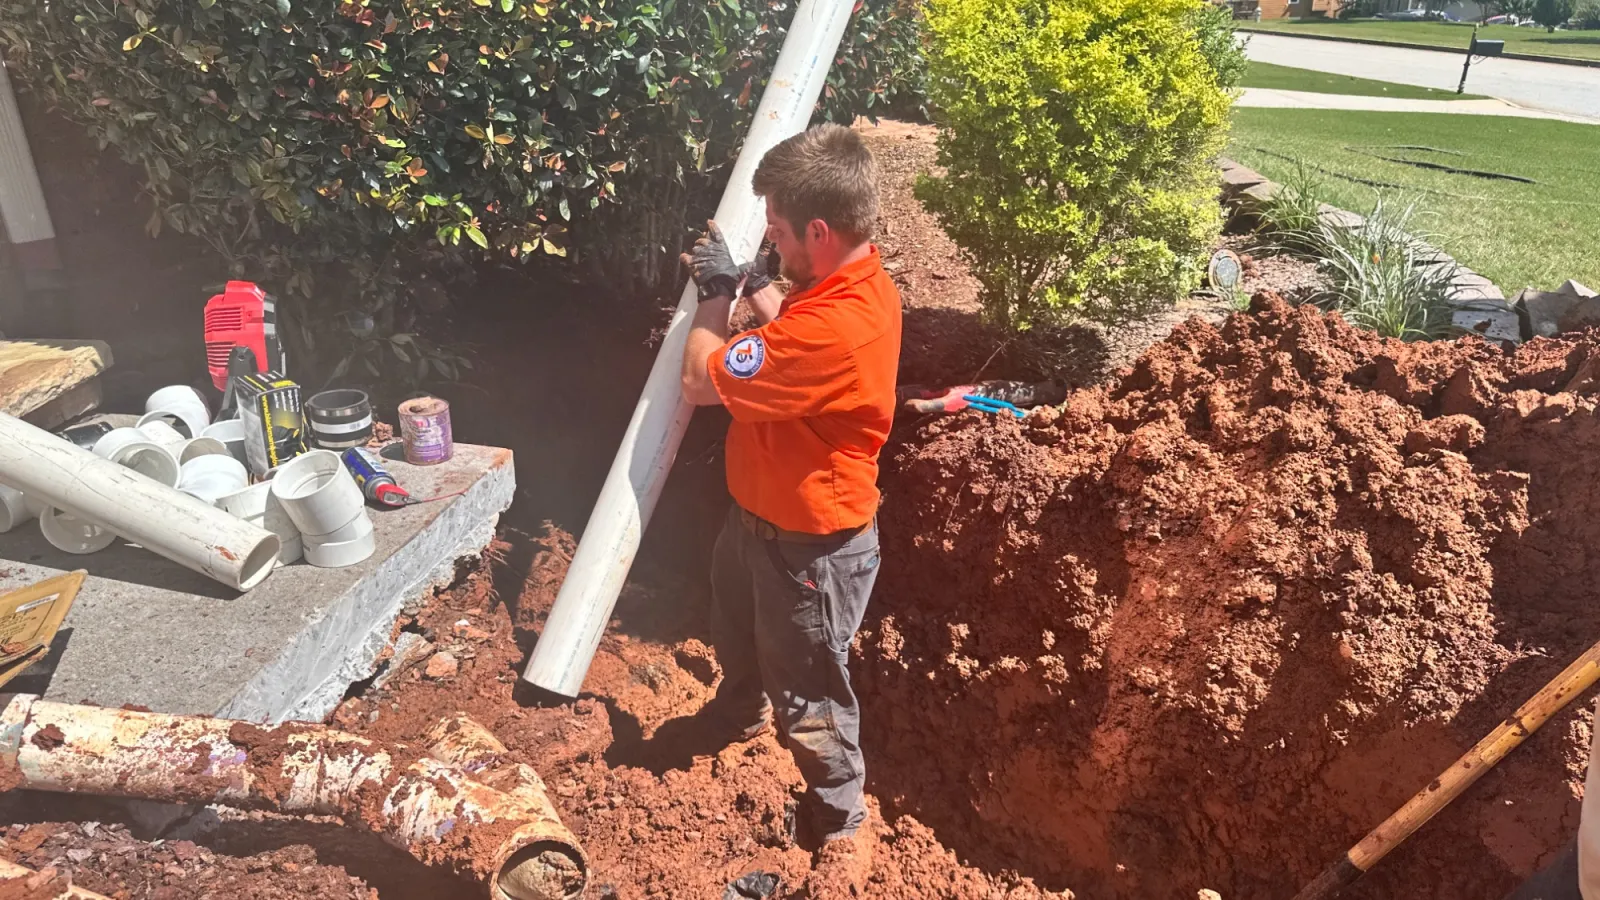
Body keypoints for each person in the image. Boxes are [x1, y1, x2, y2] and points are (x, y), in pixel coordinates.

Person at [677, 123, 901, 891]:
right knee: (737, 637)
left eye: (775, 229)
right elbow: (792, 327)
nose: (769, 242)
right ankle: (738, 712)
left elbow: (701, 380)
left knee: (808, 692)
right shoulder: (853, 284)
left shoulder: (834, 328)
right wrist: (752, 283)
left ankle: (843, 817)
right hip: (760, 526)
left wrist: (713, 298)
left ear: (819, 228)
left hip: (809, 553)